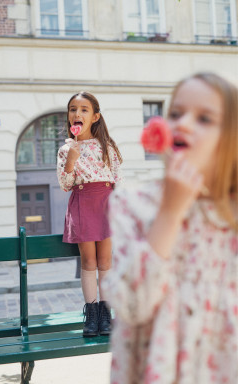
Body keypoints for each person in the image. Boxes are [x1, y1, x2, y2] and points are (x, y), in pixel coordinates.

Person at [102, 72, 238, 383]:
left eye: (204, 119)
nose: (183, 124)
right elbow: (130, 305)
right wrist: (171, 212)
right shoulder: (133, 203)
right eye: (175, 113)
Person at [57, 91, 122, 337]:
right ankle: (91, 314)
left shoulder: (107, 146)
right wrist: (71, 159)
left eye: (84, 109)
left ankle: (106, 314)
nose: (77, 113)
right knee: (89, 262)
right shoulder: (65, 150)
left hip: (105, 202)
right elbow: (65, 184)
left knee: (105, 261)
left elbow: (116, 178)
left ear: (95, 117)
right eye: (73, 109)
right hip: (82, 202)